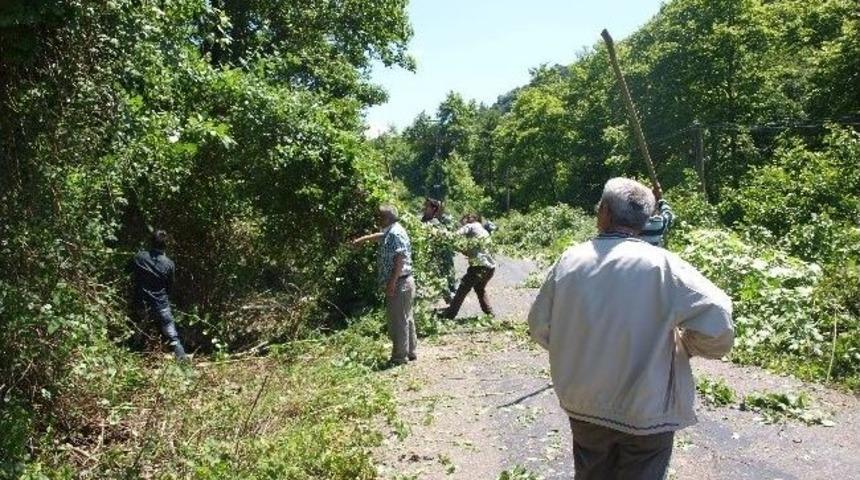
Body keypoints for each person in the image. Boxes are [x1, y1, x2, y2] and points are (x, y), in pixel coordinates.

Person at [527, 177, 733, 480]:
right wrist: (688, 345)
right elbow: (719, 323)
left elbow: (540, 326)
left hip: (584, 404)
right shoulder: (664, 266)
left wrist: (577, 346)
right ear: (646, 220)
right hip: (646, 410)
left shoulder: (569, 260)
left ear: (605, 212)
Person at [352, 205, 417, 365]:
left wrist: (392, 283)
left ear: (386, 218)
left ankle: (399, 357)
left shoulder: (394, 233)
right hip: (404, 281)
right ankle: (410, 352)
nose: (377, 220)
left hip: (400, 282)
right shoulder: (392, 231)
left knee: (398, 321)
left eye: (379, 217)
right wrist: (363, 239)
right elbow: (382, 236)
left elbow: (400, 259)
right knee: (405, 318)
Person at [128, 230, 188, 361]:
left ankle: (131, 358)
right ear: (166, 245)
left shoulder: (139, 257)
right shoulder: (169, 264)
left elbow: (128, 271)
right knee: (171, 334)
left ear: (151, 242)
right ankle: (182, 360)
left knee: (138, 330)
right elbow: (169, 287)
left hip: (141, 302)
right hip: (161, 303)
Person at [440, 213, 496, 319]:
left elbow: (454, 235)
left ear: (472, 219)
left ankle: (450, 315)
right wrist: (459, 248)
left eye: (465, 219)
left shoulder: (472, 225)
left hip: (478, 267)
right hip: (490, 268)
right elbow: (471, 251)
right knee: (480, 289)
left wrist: (441, 235)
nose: (464, 221)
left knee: (462, 289)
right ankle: (490, 314)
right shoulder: (484, 231)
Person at [421, 197, 457, 302]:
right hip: (430, 254)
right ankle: (450, 297)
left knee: (445, 276)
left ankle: (451, 297)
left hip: (441, 254)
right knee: (437, 277)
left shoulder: (435, 222)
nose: (424, 207)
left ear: (433, 209)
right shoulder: (423, 219)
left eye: (427, 206)